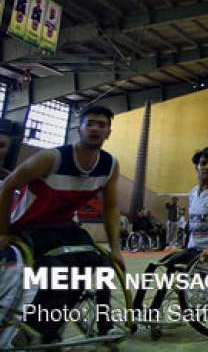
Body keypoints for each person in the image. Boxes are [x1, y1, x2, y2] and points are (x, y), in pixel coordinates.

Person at [0, 106, 124, 342]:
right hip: (30, 224)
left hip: (63, 224)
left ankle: (105, 326)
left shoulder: (109, 165)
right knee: (61, 269)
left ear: (109, 132)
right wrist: (2, 232)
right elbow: (7, 185)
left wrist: (116, 248)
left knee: (102, 264)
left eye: (102, 125)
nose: (96, 128)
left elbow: (110, 208)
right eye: (91, 123)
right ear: (80, 128)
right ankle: (39, 327)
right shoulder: (51, 157)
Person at [141, 146, 208, 312]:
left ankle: (156, 310)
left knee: (177, 276)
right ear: (196, 167)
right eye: (203, 163)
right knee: (156, 266)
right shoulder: (193, 193)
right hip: (194, 250)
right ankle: (143, 310)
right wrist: (184, 246)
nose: (207, 167)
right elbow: (193, 224)